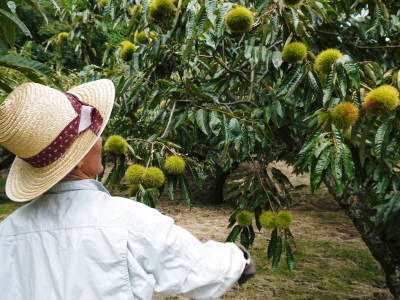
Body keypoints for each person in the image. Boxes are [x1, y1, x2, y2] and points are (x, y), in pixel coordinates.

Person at [0, 80, 256, 300]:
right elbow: (198, 269)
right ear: (77, 158)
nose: (100, 140)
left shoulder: (7, 232)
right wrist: (237, 258)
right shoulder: (129, 221)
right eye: (93, 136)